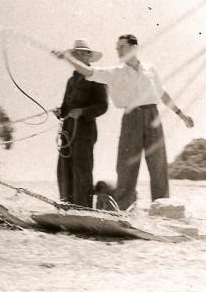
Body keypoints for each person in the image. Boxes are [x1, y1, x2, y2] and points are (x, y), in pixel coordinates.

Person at [54, 34, 194, 210]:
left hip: (153, 115)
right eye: (117, 48)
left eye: (122, 47)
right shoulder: (115, 72)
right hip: (130, 117)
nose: (118, 51)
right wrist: (67, 58)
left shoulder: (150, 69)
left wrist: (181, 115)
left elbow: (162, 94)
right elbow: (88, 72)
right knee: (126, 167)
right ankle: (121, 211)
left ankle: (162, 208)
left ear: (134, 48)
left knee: (158, 165)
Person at [54, 40, 108, 208]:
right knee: (63, 169)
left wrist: (82, 112)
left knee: (81, 170)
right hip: (67, 132)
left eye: (83, 53)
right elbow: (65, 108)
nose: (80, 56)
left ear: (89, 56)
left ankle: (83, 208)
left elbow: (103, 106)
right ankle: (67, 207)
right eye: (76, 53)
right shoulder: (71, 81)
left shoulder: (97, 77)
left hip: (85, 132)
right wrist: (60, 112)